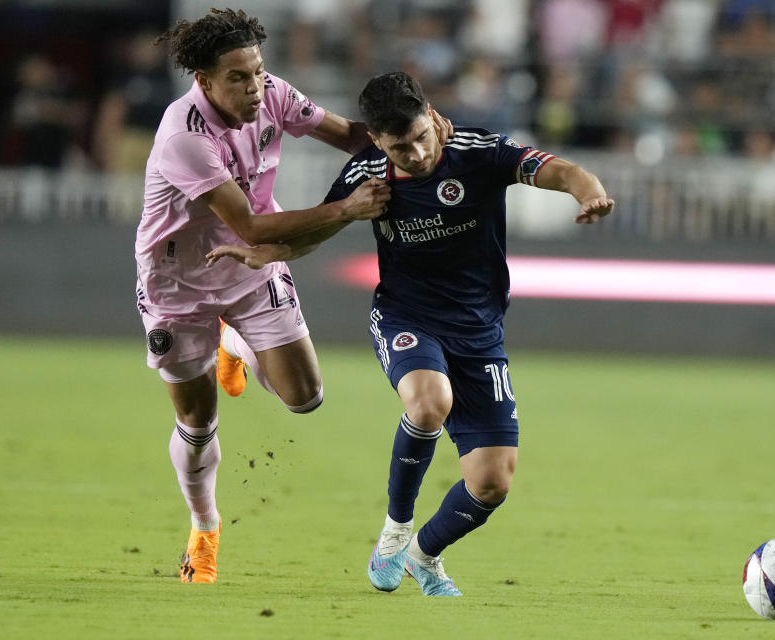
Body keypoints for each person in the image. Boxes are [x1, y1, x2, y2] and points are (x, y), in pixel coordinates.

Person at [207, 71, 614, 596]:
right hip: (407, 316)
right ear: (376, 139)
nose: (418, 154)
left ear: (433, 117)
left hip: (479, 329)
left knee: (491, 484)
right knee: (428, 403)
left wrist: (591, 192)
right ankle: (396, 531)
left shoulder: (477, 151)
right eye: (401, 146)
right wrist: (267, 253)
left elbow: (558, 170)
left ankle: (424, 556)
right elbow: (317, 232)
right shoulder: (368, 173)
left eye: (423, 137)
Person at [137, 9, 450, 584]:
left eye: (257, 72)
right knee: (199, 419)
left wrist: (417, 133)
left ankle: (234, 339)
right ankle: (204, 528)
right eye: (238, 78)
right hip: (178, 283)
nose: (255, 87)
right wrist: (347, 208)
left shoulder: (273, 95)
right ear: (204, 81)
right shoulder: (184, 137)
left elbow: (356, 137)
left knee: (305, 398)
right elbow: (252, 227)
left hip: (253, 269)